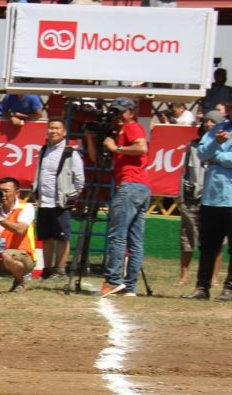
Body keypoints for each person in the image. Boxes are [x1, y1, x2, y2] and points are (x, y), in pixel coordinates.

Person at [182, 91, 232, 302]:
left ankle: (230, 288)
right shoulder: (217, 128)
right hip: (211, 195)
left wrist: (215, 155)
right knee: (208, 244)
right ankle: (202, 288)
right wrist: (216, 145)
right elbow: (201, 153)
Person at [94, 99, 150, 296]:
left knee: (118, 235)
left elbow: (142, 148)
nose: (117, 117)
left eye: (121, 112)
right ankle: (130, 286)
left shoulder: (131, 127)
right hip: (141, 186)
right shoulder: (126, 129)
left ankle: (113, 280)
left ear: (131, 112)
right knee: (135, 240)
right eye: (115, 113)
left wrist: (116, 148)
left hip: (130, 185)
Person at [31, 119, 84, 281]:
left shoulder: (70, 153)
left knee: (62, 238)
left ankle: (60, 270)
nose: (53, 131)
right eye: (50, 128)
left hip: (60, 202)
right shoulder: (43, 150)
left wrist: (71, 197)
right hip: (44, 202)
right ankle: (47, 269)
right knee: (46, 238)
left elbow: (79, 179)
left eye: (57, 128)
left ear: (64, 132)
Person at [176, 110, 222, 287]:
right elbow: (185, 172)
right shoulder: (193, 145)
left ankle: (214, 277)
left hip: (212, 198)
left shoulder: (223, 145)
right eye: (206, 121)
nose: (208, 124)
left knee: (215, 239)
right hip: (191, 196)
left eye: (213, 121)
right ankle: (184, 276)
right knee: (187, 237)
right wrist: (180, 195)